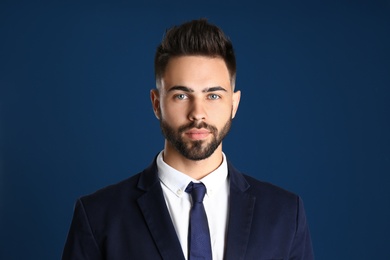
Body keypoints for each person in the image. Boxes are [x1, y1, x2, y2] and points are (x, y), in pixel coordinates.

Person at [62, 19, 314, 260]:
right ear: (156, 103)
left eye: (213, 96)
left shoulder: (285, 213)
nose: (197, 113)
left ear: (234, 104)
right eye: (181, 96)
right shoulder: (97, 215)